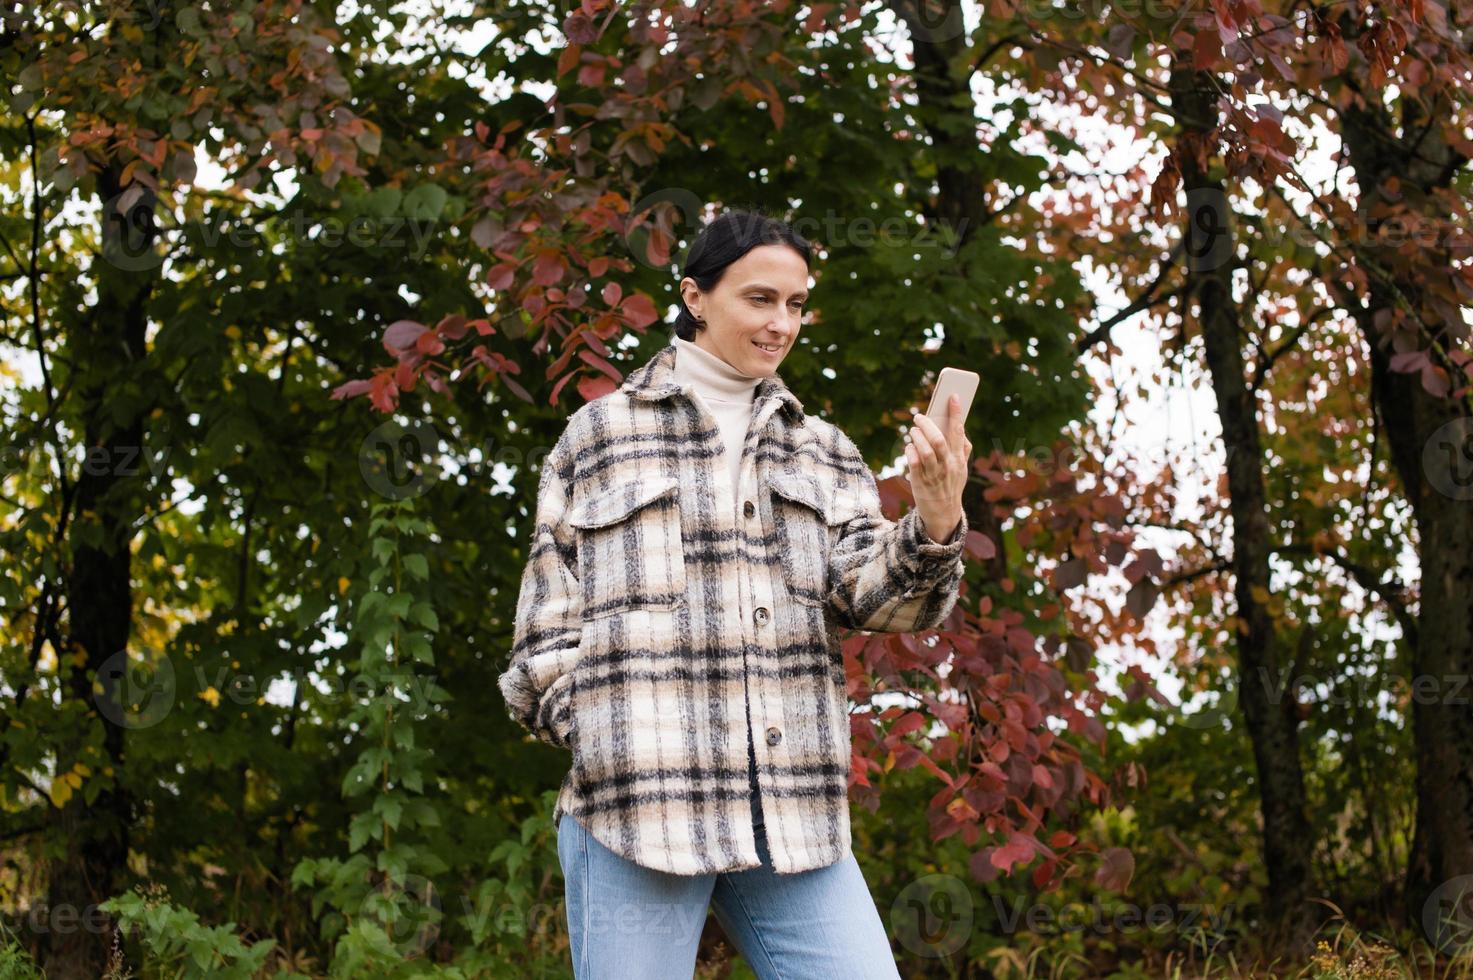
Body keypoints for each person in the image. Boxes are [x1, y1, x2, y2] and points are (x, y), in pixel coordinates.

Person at [497, 209, 973, 979]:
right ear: (694, 295)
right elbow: (544, 637)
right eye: (759, 299)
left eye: (795, 303)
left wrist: (937, 514)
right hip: (637, 814)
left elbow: (881, 603)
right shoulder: (598, 437)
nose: (780, 322)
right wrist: (605, 741)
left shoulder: (822, 450)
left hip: (791, 815)